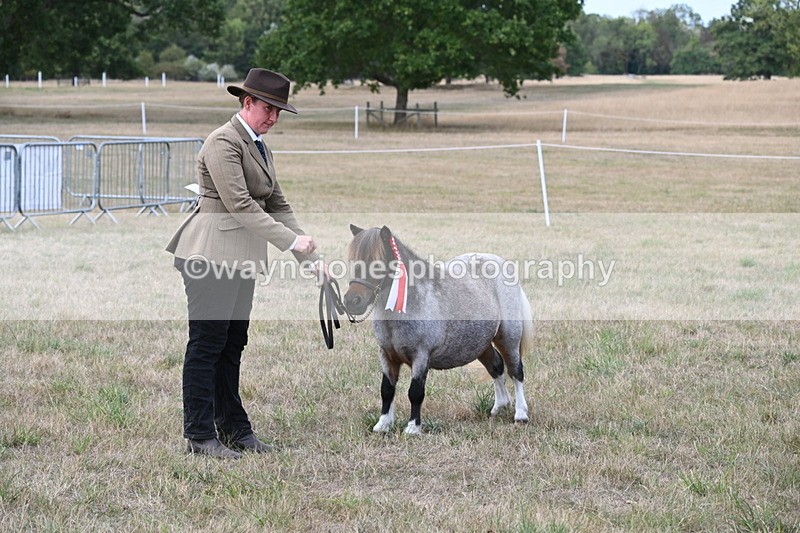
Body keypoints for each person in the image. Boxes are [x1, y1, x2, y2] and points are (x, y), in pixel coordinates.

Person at [166, 68, 323, 459]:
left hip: (240, 258)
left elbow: (278, 204)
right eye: (268, 108)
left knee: (232, 344)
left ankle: (234, 429)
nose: (274, 117)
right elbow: (239, 204)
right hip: (210, 256)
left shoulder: (259, 146)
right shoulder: (223, 142)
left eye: (279, 111)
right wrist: (291, 242)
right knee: (207, 344)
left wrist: (310, 259)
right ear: (247, 102)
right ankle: (200, 435)